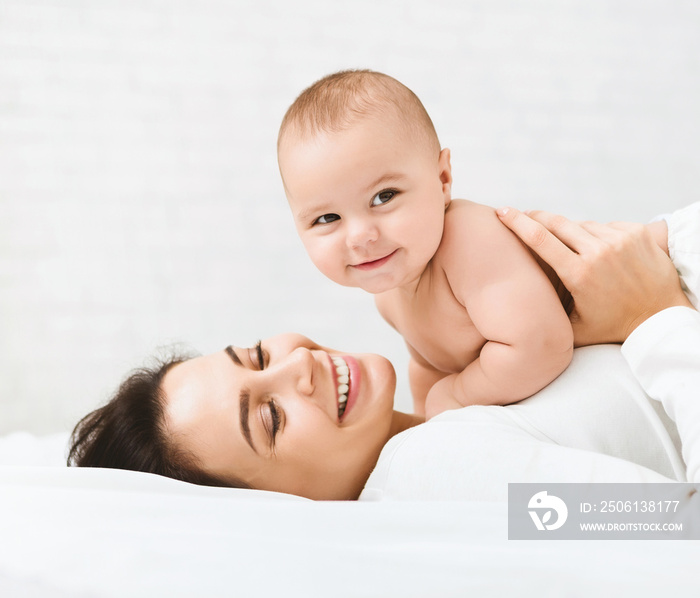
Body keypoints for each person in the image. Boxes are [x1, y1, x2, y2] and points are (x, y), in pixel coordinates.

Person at [69, 212, 700, 501]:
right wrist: (655, 317)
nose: (297, 368)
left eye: (258, 355)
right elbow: (670, 529)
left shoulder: (446, 403)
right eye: (270, 418)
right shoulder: (430, 479)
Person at [276, 69, 673, 418]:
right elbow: (431, 364)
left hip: (674, 265)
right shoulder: (390, 297)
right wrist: (425, 425)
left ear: (443, 179)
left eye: (385, 196)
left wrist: (456, 396)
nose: (361, 236)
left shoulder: (466, 239)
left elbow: (542, 344)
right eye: (327, 218)